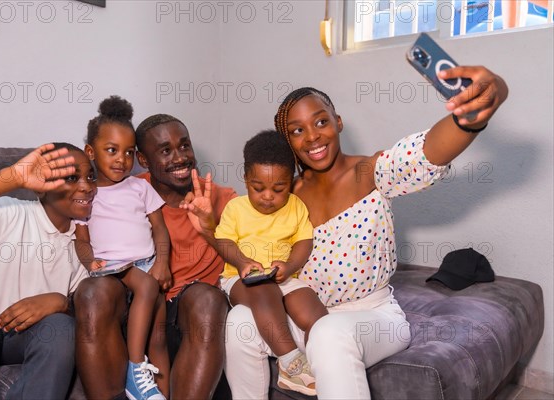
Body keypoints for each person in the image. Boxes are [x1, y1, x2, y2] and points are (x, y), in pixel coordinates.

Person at [223, 66, 509, 399]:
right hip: (304, 319)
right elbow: (244, 235)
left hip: (372, 318)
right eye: (297, 130)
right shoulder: (287, 198)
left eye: (320, 122)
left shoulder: (371, 172)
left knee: (328, 332)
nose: (312, 137)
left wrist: (474, 113)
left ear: (337, 122)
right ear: (288, 142)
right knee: (240, 321)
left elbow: (429, 150)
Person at [72, 113, 236, 399]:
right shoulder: (129, 188)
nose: (180, 157)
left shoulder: (222, 198)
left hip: (186, 312)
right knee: (92, 291)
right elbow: (68, 229)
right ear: (144, 160)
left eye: (185, 146)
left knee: (208, 299)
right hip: (129, 304)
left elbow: (250, 259)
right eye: (165, 151)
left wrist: (210, 229)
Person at [0, 143, 93, 399]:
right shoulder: (11, 212)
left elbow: (94, 309)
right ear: (42, 189)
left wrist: (62, 303)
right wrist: (11, 178)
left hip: (30, 335)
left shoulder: (85, 245)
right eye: (72, 177)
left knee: (62, 328)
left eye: (90, 177)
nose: (87, 186)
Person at [214, 130, 327, 395]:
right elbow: (224, 242)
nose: (267, 196)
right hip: (243, 279)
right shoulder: (236, 208)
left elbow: (303, 242)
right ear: (245, 180)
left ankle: (316, 366)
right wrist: (242, 262)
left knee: (315, 313)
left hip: (283, 276)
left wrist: (288, 266)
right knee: (263, 289)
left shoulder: (296, 206)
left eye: (279, 189)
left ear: (291, 182)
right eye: (258, 188)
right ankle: (290, 362)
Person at [73, 96, 171, 400]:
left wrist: (162, 263)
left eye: (129, 153)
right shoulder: (86, 193)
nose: (121, 160)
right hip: (114, 270)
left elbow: (160, 230)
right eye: (111, 151)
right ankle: (134, 367)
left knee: (158, 334)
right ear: (91, 152)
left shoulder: (140, 187)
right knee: (145, 288)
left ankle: (161, 394)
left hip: (146, 264)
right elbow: (81, 240)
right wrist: (91, 263)